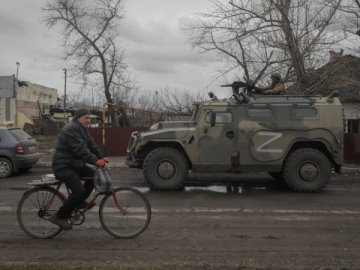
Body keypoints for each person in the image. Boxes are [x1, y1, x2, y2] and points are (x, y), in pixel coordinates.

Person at [49, 108, 108, 230]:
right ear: (78, 118)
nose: (88, 120)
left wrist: (102, 157)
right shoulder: (71, 129)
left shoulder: (83, 129)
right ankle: (59, 216)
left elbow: (91, 145)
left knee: (93, 177)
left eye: (89, 118)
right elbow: (80, 149)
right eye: (86, 118)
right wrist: (95, 161)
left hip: (74, 164)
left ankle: (79, 203)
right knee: (79, 191)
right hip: (63, 165)